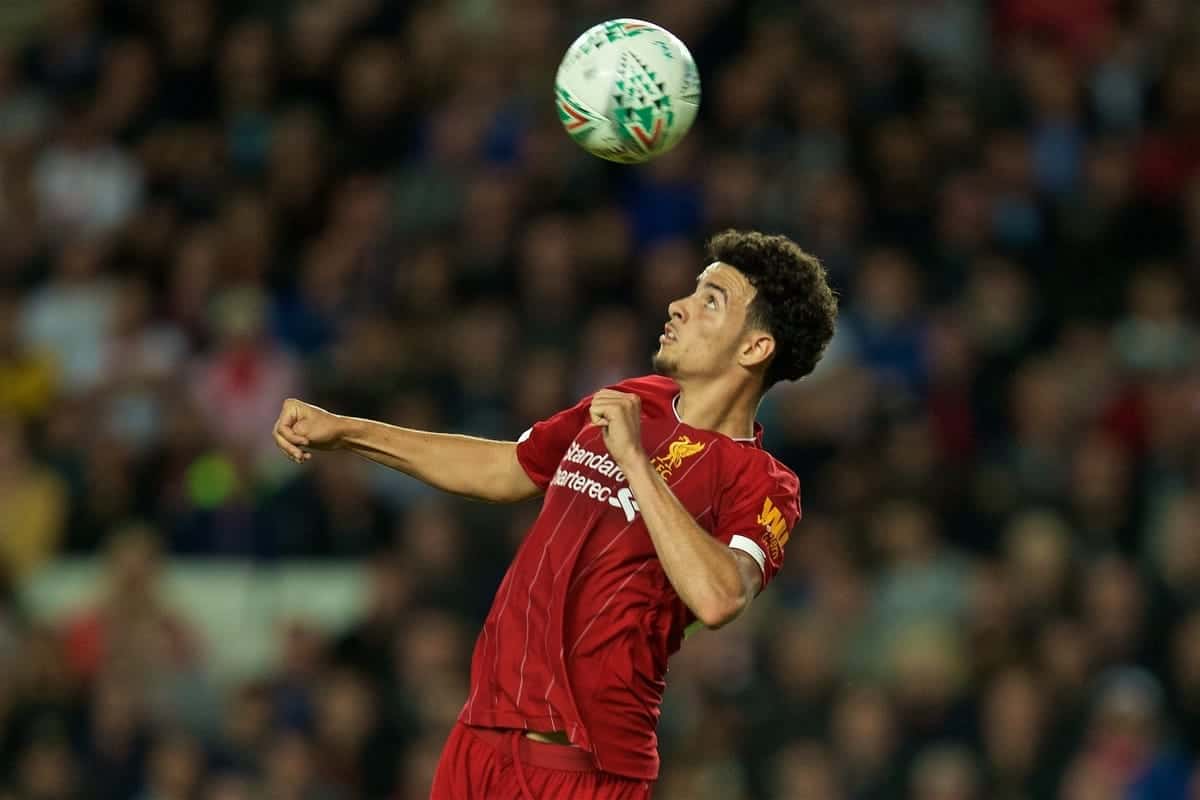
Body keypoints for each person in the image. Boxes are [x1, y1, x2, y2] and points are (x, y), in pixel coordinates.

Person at [272, 230, 839, 799]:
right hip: (479, 742)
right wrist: (345, 432)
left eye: (710, 299)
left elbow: (719, 597)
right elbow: (506, 469)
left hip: (583, 770)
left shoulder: (762, 483)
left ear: (754, 349)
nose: (678, 305)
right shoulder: (634, 398)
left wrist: (636, 462)